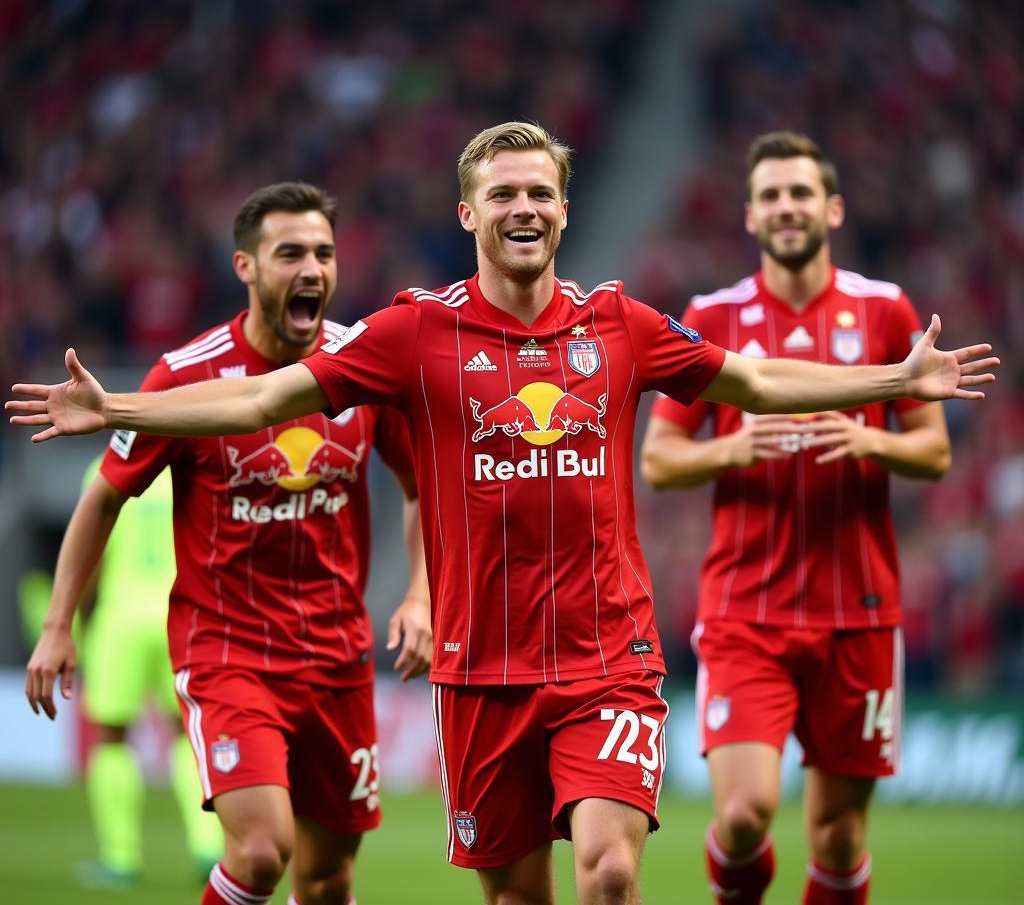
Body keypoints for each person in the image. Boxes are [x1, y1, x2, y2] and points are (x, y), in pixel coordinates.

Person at [8, 122, 997, 905]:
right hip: (481, 675)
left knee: (609, 872)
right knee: (517, 895)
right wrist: (123, 407)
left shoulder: (620, 323)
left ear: (563, 209)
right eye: (504, 193)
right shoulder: (412, 332)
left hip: (609, 661)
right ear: (469, 212)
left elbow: (752, 378)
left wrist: (889, 377)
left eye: (539, 192)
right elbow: (265, 400)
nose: (523, 206)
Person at [22, 181, 432, 905]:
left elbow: (420, 487)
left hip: (337, 658)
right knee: (263, 849)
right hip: (228, 651)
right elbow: (104, 495)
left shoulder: (362, 367)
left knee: (329, 876)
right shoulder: (186, 377)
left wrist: (423, 595)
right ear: (245, 267)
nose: (312, 269)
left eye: (324, 253)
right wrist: (58, 626)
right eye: (290, 254)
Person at [640, 130, 953, 905]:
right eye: (772, 196)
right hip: (747, 610)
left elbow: (935, 453)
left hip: (861, 611)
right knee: (744, 815)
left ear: (832, 207)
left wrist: (869, 438)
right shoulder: (709, 315)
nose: (787, 208)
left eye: (801, 193)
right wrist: (733, 450)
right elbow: (659, 460)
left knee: (839, 837)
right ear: (749, 216)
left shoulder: (885, 310)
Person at [73, 459, 224, 887]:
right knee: (187, 732)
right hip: (181, 616)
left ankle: (120, 857)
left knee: (110, 734)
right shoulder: (189, 465)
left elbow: (92, 548)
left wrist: (75, 617)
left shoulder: (108, 467)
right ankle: (207, 847)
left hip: (121, 618)